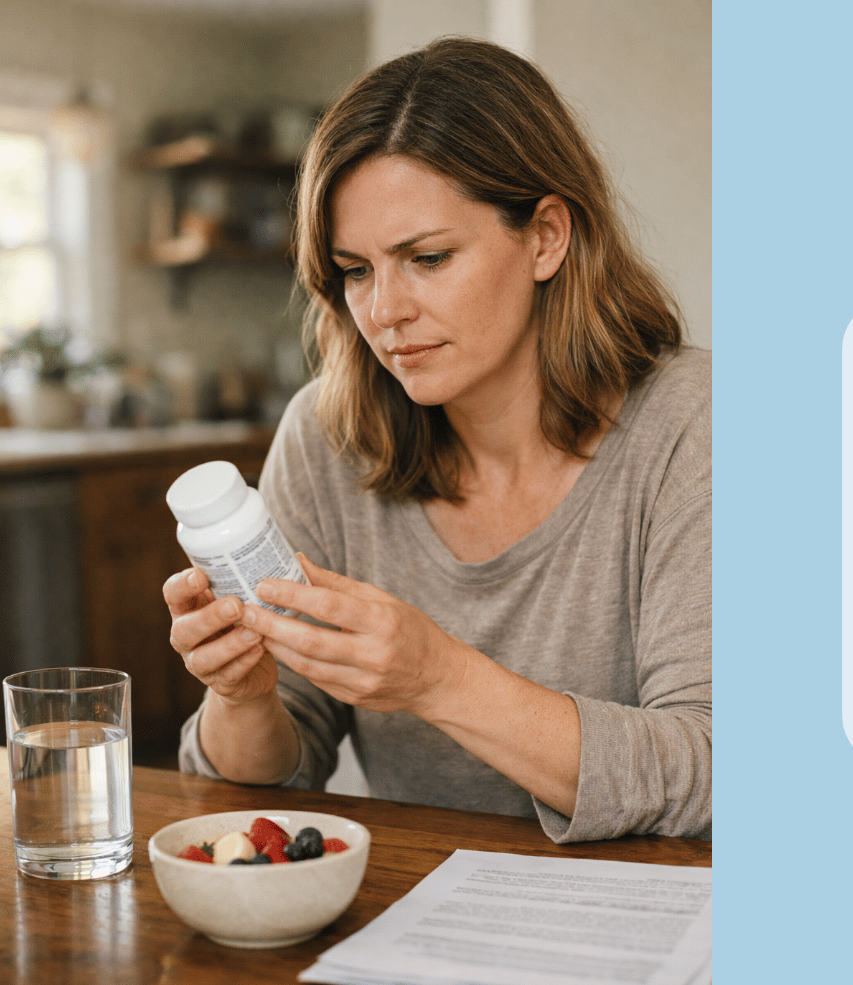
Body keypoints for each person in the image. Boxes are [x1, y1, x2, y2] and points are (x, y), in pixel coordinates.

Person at [162, 38, 710, 840]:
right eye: (355, 270)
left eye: (427, 257)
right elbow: (268, 789)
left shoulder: (692, 422)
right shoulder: (326, 438)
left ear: (547, 238)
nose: (384, 311)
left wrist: (440, 678)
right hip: (412, 920)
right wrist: (243, 694)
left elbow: (712, 773)